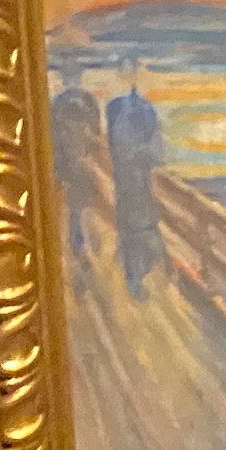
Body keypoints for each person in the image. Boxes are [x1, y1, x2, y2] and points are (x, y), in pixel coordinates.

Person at [103, 64, 164, 297]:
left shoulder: (139, 110)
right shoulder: (117, 109)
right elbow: (121, 148)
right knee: (135, 230)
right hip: (129, 181)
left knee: (138, 229)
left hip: (136, 181)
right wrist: (141, 153)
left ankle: (135, 275)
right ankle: (134, 277)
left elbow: (154, 151)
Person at [50, 65, 105, 263]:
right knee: (78, 204)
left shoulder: (61, 102)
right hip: (73, 159)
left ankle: (79, 241)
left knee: (78, 203)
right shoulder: (82, 101)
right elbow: (94, 131)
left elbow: (94, 130)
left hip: (71, 158)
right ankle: (78, 243)